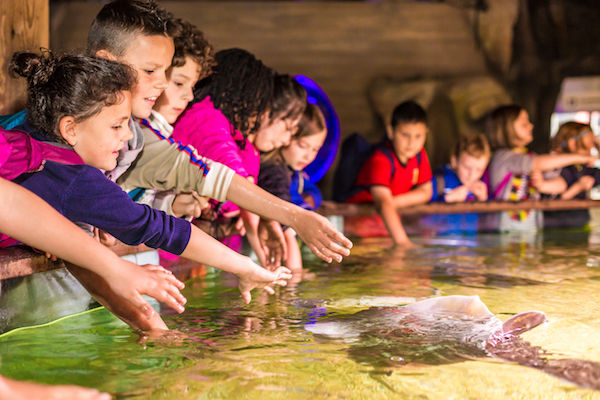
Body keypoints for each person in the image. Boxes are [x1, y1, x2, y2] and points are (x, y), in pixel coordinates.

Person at [8, 51, 291, 333]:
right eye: (117, 125)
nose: (128, 135)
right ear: (69, 128)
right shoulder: (76, 179)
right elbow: (155, 226)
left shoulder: (27, 131)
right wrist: (244, 267)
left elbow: (75, 250)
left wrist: (148, 323)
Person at [114, 19, 349, 266]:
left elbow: (149, 199)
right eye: (178, 82)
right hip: (155, 259)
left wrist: (173, 203)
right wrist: (294, 218)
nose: (188, 95)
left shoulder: (158, 131)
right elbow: (220, 176)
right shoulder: (201, 121)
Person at [485, 105, 595, 231]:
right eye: (524, 124)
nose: (531, 126)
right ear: (506, 129)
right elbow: (538, 164)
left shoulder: (531, 156)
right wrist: (582, 158)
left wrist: (544, 185)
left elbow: (559, 183)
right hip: (505, 229)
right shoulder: (503, 157)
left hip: (531, 228)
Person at [345, 101, 433, 247]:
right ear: (391, 132)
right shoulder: (380, 159)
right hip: (359, 227)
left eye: (418, 136)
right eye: (405, 135)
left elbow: (426, 191)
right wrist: (404, 243)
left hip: (387, 225)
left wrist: (393, 203)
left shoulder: (420, 156)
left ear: (426, 134)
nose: (412, 143)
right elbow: (383, 202)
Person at [258, 103, 327, 272]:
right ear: (287, 136)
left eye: (315, 149)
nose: (308, 155)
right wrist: (296, 278)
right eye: (303, 146)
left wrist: (310, 201)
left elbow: (312, 190)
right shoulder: (275, 172)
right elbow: (286, 225)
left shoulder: (295, 171)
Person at [427, 134, 490, 234]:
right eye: (467, 168)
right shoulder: (438, 182)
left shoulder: (481, 187)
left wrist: (484, 202)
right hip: (442, 246)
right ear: (454, 161)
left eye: (479, 170)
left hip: (470, 247)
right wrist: (446, 200)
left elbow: (488, 225)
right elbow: (422, 222)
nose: (472, 175)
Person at [544, 121, 600, 228]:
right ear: (571, 143)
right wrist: (578, 187)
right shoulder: (555, 167)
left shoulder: (582, 169)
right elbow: (554, 199)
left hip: (578, 226)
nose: (590, 151)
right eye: (585, 147)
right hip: (556, 229)